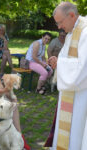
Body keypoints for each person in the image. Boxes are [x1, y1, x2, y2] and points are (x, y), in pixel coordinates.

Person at [49, 2, 87, 150]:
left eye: (60, 22)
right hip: (71, 91)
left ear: (71, 15)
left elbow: (84, 67)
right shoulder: (72, 32)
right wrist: (58, 62)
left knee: (77, 129)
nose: (59, 27)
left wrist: (61, 64)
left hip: (82, 94)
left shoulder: (84, 32)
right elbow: (67, 58)